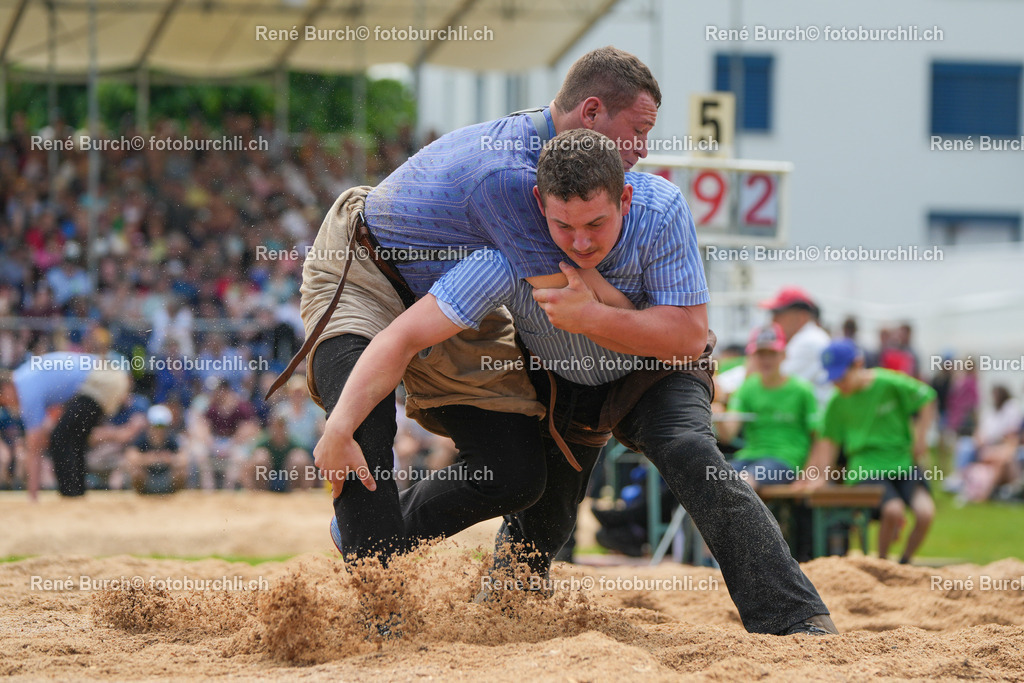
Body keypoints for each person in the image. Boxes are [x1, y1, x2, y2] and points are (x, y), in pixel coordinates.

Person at [316, 129, 836, 636]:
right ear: (539, 204)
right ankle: (497, 602)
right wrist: (339, 427)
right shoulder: (508, 251)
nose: (581, 242)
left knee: (690, 452)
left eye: (596, 223)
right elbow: (401, 339)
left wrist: (590, 315)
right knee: (545, 513)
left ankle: (792, 616)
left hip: (658, 368)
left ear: (625, 199)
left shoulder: (661, 212)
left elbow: (686, 338)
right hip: (567, 386)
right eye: (564, 226)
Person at [285, 46, 665, 566]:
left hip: (453, 291)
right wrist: (665, 332)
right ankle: (381, 620)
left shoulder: (560, 168)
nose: (643, 148)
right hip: (366, 270)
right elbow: (573, 301)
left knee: (514, 473)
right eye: (638, 131)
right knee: (363, 430)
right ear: (592, 112)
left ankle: (371, 536)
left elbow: (584, 289)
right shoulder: (510, 176)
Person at [801, 339, 937, 565]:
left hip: (902, 462)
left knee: (925, 513)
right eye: (833, 380)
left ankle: (904, 562)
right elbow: (829, 441)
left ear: (859, 364)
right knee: (892, 511)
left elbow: (927, 397)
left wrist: (920, 441)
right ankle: (882, 564)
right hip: (865, 467)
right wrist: (821, 476)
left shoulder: (888, 383)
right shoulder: (837, 402)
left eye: (842, 377)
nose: (838, 385)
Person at [0, 352, 130, 500]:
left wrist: (32, 495)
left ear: (6, 387)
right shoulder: (26, 375)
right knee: (74, 439)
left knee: (61, 439)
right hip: (108, 375)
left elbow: (34, 448)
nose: (8, 406)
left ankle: (71, 494)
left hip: (101, 380)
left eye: (3, 401)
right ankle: (77, 492)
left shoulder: (25, 391)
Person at [716, 323, 818, 491]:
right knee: (708, 484)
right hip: (750, 457)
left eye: (772, 353)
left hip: (786, 460)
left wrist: (808, 474)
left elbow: (818, 437)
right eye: (761, 354)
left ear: (784, 355)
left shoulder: (802, 391)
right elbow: (728, 434)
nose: (766, 360)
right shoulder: (747, 388)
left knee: (743, 481)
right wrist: (719, 414)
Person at [761, 287, 832, 406]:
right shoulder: (808, 337)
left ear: (801, 317)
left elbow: (772, 379)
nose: (772, 320)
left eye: (778, 314)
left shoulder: (808, 341)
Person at [125, 404, 187, 495]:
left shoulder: (171, 439)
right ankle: (141, 495)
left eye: (161, 427)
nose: (159, 430)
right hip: (148, 480)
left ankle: (174, 496)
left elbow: (184, 459)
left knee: (181, 472)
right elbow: (130, 458)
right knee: (136, 472)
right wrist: (149, 459)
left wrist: (170, 459)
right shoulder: (142, 439)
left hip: (167, 479)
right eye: (156, 426)